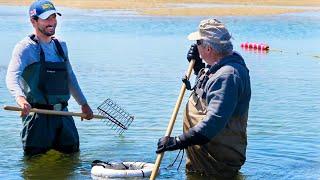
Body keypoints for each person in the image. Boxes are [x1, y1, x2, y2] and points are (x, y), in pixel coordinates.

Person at [156, 18, 251, 178]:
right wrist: (199, 67)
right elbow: (207, 94)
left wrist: (177, 142)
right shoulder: (217, 67)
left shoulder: (228, 76)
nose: (195, 47)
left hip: (216, 162)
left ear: (208, 48)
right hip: (202, 157)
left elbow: (213, 123)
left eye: (198, 43)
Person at [6, 0, 94, 156]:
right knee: (35, 167)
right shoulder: (25, 48)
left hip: (63, 116)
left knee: (72, 159)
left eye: (54, 17)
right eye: (47, 18)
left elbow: (70, 78)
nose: (52, 22)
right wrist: (21, 99)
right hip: (37, 116)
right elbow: (12, 77)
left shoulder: (61, 45)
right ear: (33, 21)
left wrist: (84, 104)